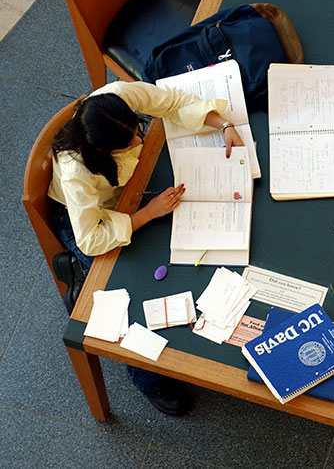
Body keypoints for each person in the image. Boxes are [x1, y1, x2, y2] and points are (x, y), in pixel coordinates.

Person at [48, 81, 244, 416]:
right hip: (86, 220)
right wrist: (146, 215)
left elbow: (172, 101)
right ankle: (147, 379)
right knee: (127, 298)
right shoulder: (75, 171)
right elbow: (91, 239)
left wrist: (223, 125)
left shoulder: (117, 97)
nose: (139, 139)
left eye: (137, 129)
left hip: (128, 187)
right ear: (102, 151)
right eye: (128, 142)